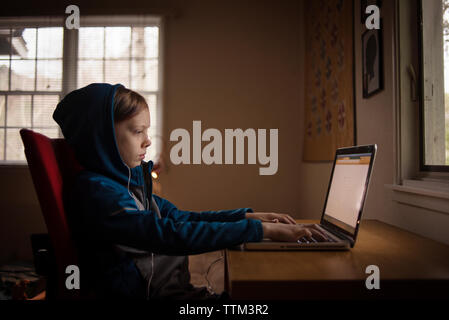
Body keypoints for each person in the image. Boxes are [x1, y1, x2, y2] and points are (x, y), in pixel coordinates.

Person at [53, 83, 328, 299]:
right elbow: (168, 234)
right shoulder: (99, 194)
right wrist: (260, 231)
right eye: (138, 131)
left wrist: (248, 218)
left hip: (172, 290)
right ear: (103, 139)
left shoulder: (128, 184)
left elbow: (181, 218)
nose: (148, 140)